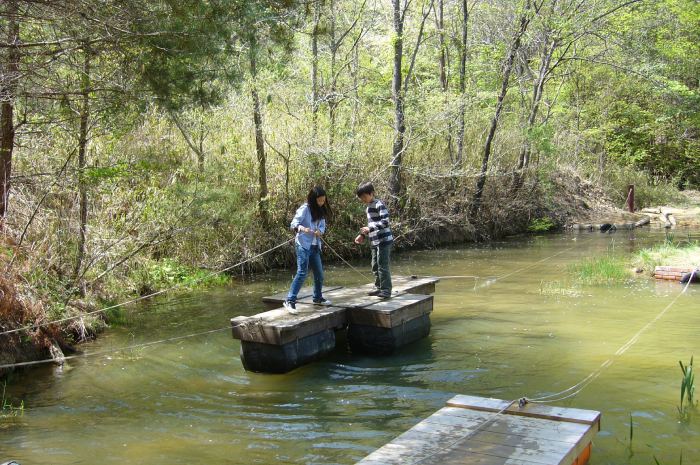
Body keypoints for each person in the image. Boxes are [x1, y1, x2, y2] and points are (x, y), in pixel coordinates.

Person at [283, 186, 333, 314]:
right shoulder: (305, 208)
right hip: (303, 245)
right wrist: (302, 228)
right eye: (319, 200)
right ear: (313, 199)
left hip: (315, 246)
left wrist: (319, 231)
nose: (322, 203)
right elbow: (293, 223)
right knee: (302, 272)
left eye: (323, 200)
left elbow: (322, 226)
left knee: (319, 274)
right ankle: (290, 300)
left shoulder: (321, 211)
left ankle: (317, 298)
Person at [354, 182, 393, 298]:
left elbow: (385, 222)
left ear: (372, 193)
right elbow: (370, 225)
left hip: (384, 240)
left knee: (382, 265)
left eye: (365, 197)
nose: (363, 200)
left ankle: (386, 290)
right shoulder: (368, 207)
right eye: (361, 198)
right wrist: (362, 235)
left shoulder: (379, 204)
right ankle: (379, 287)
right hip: (374, 241)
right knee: (374, 265)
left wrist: (370, 228)